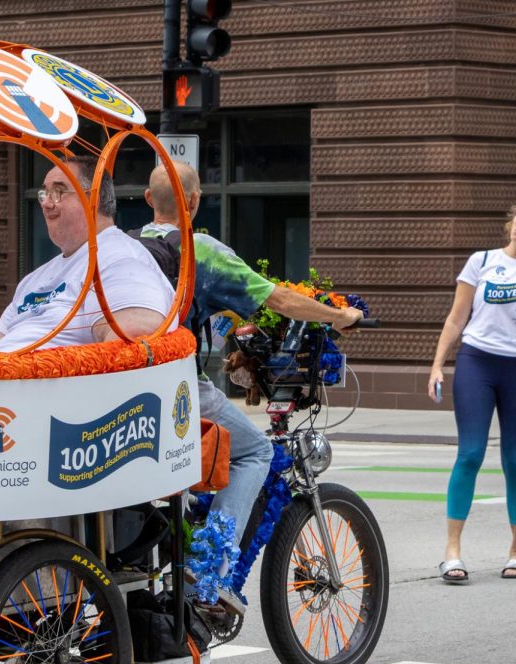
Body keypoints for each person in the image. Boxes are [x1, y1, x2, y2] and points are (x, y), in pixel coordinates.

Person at [140, 161, 364, 613]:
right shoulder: (199, 249)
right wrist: (340, 315)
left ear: (148, 200)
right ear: (196, 200)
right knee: (255, 452)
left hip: (124, 390)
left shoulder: (125, 245)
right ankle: (209, 574)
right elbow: (278, 298)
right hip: (175, 387)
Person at [429, 194, 516, 582]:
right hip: (478, 363)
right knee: (470, 454)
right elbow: (456, 318)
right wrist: (437, 364)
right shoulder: (482, 260)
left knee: (515, 461)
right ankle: (452, 552)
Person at [0, 155, 175, 353]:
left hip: (42, 373)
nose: (46, 204)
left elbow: (129, 349)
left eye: (58, 192)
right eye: (44, 194)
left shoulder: (120, 261)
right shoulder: (34, 279)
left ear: (93, 199)